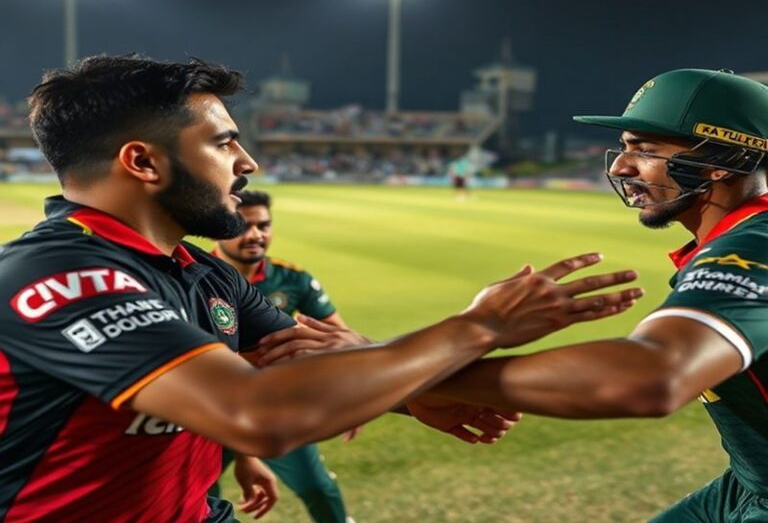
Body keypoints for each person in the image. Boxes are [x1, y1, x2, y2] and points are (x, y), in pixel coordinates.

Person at [0, 54, 641, 521]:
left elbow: (321, 360)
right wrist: (478, 326)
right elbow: (261, 414)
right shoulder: (55, 275)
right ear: (142, 161)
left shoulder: (206, 274)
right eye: (224, 144)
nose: (248, 164)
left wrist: (412, 395)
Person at [374, 68, 768, 522]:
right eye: (624, 147)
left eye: (645, 150)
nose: (621, 167)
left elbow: (653, 377)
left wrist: (418, 375)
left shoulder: (756, 243)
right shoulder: (731, 238)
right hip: (746, 482)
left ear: (722, 159)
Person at [210, 189, 356, 523]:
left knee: (318, 488)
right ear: (221, 229)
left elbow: (339, 341)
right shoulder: (193, 277)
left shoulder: (292, 278)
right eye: (244, 226)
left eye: (263, 225)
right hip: (209, 411)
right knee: (199, 495)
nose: (255, 235)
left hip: (275, 409)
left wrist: (356, 393)